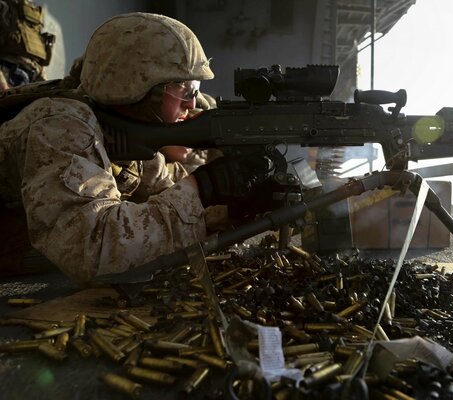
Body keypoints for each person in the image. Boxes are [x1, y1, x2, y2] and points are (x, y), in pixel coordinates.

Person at [0, 12, 270, 284]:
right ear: (140, 88)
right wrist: (204, 187)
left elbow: (166, 188)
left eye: (196, 89)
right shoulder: (61, 127)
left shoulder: (126, 132)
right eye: (185, 90)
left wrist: (231, 207)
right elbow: (92, 248)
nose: (192, 104)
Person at [0, 0, 54, 90]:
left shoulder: (33, 12)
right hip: (8, 71)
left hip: (32, 76)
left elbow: (36, 49)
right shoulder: (4, 6)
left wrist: (44, 82)